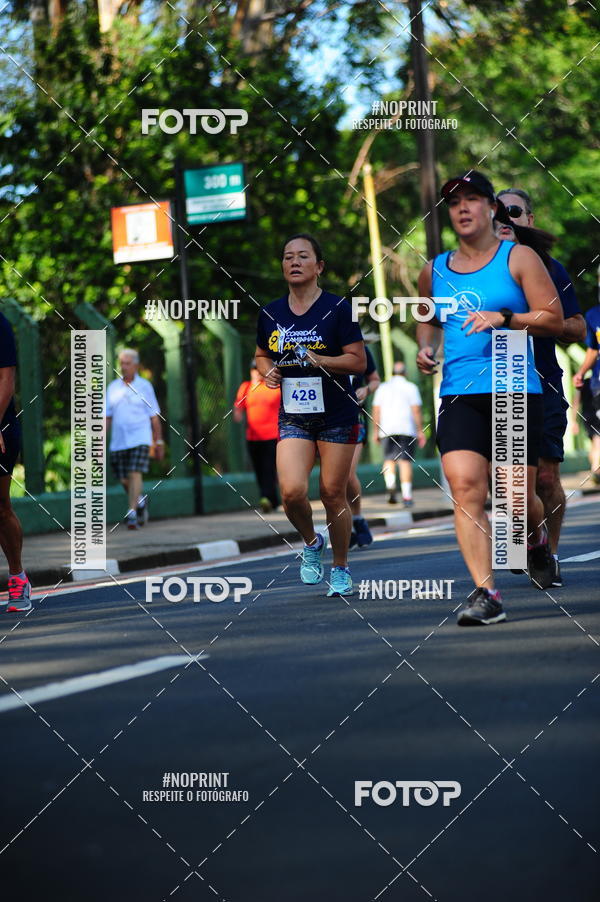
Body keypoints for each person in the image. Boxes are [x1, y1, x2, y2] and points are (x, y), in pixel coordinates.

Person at [416, 171, 563, 626]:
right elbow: (427, 316)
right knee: (465, 489)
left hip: (515, 386)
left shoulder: (518, 258)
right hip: (460, 391)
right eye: (454, 201)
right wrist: (426, 346)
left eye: (473, 199)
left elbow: (553, 318)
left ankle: (535, 544)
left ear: (491, 209)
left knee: (515, 503)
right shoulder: (434, 269)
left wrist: (506, 316)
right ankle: (487, 593)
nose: (462, 207)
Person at [255, 233, 366, 597]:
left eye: (303, 256)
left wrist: (322, 361)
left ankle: (341, 567)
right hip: (295, 415)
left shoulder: (338, 308)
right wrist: (266, 370)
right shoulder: (271, 312)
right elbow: (261, 354)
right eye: (288, 257)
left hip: (337, 413)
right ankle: (311, 541)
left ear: (319, 266)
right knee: (291, 492)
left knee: (332, 493)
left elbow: (358, 361)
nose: (294, 262)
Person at [497, 187, 586, 586]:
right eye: (498, 210)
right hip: (495, 386)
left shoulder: (552, 269)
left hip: (544, 382)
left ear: (529, 219)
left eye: (513, 211)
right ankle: (530, 541)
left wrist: (528, 321)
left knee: (546, 478)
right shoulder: (476, 269)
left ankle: (547, 555)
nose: (506, 217)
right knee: (510, 480)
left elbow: (579, 328)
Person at [106, 349, 164, 530]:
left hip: (140, 437)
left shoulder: (145, 386)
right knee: (124, 479)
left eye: (127, 363)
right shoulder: (113, 387)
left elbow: (154, 416)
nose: (123, 367)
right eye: (121, 363)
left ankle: (131, 513)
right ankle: (139, 500)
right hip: (118, 441)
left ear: (136, 365)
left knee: (134, 472)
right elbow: (106, 416)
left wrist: (158, 440)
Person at [0, 312, 31, 613]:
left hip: (2, 428)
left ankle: (17, 576)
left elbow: (6, 381)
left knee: (0, 506)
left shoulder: (1, 324)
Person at [372, 360, 426, 507]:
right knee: (405, 461)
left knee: (389, 460)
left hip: (386, 429)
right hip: (406, 428)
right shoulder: (411, 387)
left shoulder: (382, 388)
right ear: (405, 373)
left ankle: (390, 487)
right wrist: (420, 430)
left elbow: (376, 410)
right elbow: (416, 410)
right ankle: (407, 496)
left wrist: (376, 430)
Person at [233, 360, 280, 512]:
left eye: (259, 369)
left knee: (268, 467)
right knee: (259, 468)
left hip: (272, 435)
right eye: (254, 369)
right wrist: (238, 413)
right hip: (253, 436)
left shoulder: (275, 386)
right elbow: (238, 407)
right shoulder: (246, 387)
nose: (256, 372)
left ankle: (266, 497)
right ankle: (272, 500)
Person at [348, 342, 381, 547]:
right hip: (318, 421)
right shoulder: (314, 342)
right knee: (330, 480)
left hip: (353, 419)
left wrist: (366, 390)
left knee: (347, 475)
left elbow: (375, 379)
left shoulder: (360, 347)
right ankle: (345, 527)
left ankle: (357, 518)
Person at [573, 300, 600, 484]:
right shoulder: (593, 314)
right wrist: (581, 372)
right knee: (596, 435)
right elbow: (593, 349)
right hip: (598, 385)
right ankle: (596, 470)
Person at [571, 377, 600, 481]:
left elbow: (576, 402)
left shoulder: (584, 382)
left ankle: (595, 467)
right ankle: (596, 470)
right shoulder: (593, 382)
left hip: (587, 417)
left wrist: (574, 421)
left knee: (594, 443)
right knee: (597, 441)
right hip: (596, 415)